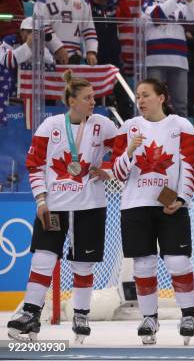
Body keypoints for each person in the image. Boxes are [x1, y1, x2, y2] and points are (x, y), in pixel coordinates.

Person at [7, 71, 117, 343]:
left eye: (93, 96)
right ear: (71, 101)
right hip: (54, 206)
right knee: (43, 257)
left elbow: (127, 151)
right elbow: (33, 165)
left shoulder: (102, 125)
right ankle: (31, 313)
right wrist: (41, 200)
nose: (93, 101)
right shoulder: (51, 125)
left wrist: (109, 170)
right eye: (87, 98)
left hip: (90, 207)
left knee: (83, 263)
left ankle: (81, 315)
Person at [110, 78, 194, 345]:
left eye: (146, 95)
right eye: (138, 96)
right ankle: (149, 318)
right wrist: (129, 151)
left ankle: (188, 314)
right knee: (143, 265)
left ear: (162, 97)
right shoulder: (128, 128)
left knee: (178, 262)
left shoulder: (181, 126)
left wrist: (182, 198)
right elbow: (117, 174)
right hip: (135, 206)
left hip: (171, 207)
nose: (141, 100)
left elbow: (190, 165)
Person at [142, 0, 194, 117]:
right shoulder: (148, 3)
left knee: (181, 104)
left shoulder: (179, 4)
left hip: (179, 59)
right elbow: (157, 17)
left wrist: (189, 0)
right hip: (156, 59)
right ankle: (153, 133)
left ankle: (182, 137)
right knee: (153, 102)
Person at [34, 0, 98, 65]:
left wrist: (91, 52)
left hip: (75, 56)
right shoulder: (42, 0)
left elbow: (89, 29)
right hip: (50, 57)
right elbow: (42, 27)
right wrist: (58, 48)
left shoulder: (83, 1)